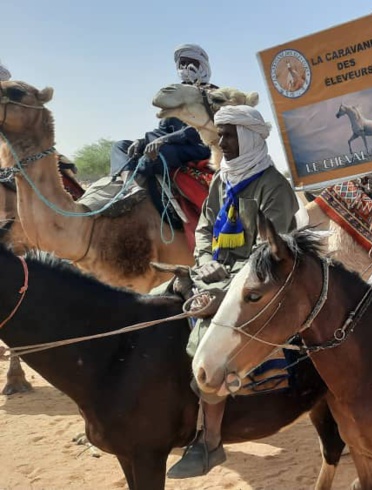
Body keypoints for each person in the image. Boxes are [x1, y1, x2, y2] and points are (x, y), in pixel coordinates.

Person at [166, 105, 300, 478]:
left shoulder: (274, 186)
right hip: (211, 271)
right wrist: (205, 258)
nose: (220, 142)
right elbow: (205, 227)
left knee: (208, 339)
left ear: (250, 137)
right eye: (220, 134)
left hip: (255, 282)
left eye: (227, 134)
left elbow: (269, 253)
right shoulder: (220, 180)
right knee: (159, 302)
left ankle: (210, 443)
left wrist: (223, 285)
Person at [110, 44, 214, 179]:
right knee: (121, 146)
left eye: (191, 63)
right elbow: (164, 129)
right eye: (182, 63)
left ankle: (141, 175)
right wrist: (142, 141)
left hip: (198, 146)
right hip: (170, 143)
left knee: (160, 152)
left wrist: (164, 140)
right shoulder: (174, 95)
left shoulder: (213, 95)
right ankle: (131, 186)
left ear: (202, 65)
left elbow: (197, 130)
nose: (186, 67)